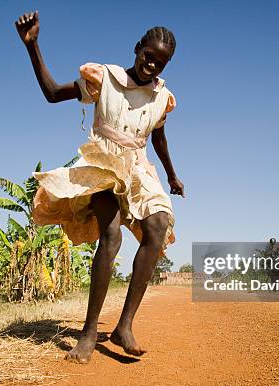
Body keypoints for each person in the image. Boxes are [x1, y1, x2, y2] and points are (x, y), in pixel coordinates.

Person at [15, 9, 185, 364]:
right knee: (111, 236)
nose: (151, 66)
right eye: (148, 56)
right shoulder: (104, 78)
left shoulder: (161, 97)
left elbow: (159, 139)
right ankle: (89, 333)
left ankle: (124, 326)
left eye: (160, 63)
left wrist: (171, 175)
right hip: (104, 161)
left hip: (138, 167)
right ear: (138, 48)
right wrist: (33, 46)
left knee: (158, 225)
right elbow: (51, 93)